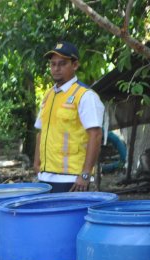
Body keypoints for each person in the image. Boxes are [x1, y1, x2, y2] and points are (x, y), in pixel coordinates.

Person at [33, 41, 105, 193]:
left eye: (62, 64)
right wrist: (36, 164)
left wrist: (85, 174)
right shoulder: (48, 95)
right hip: (46, 177)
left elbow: (96, 135)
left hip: (72, 179)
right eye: (53, 64)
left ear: (75, 65)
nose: (56, 68)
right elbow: (41, 132)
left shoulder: (85, 96)